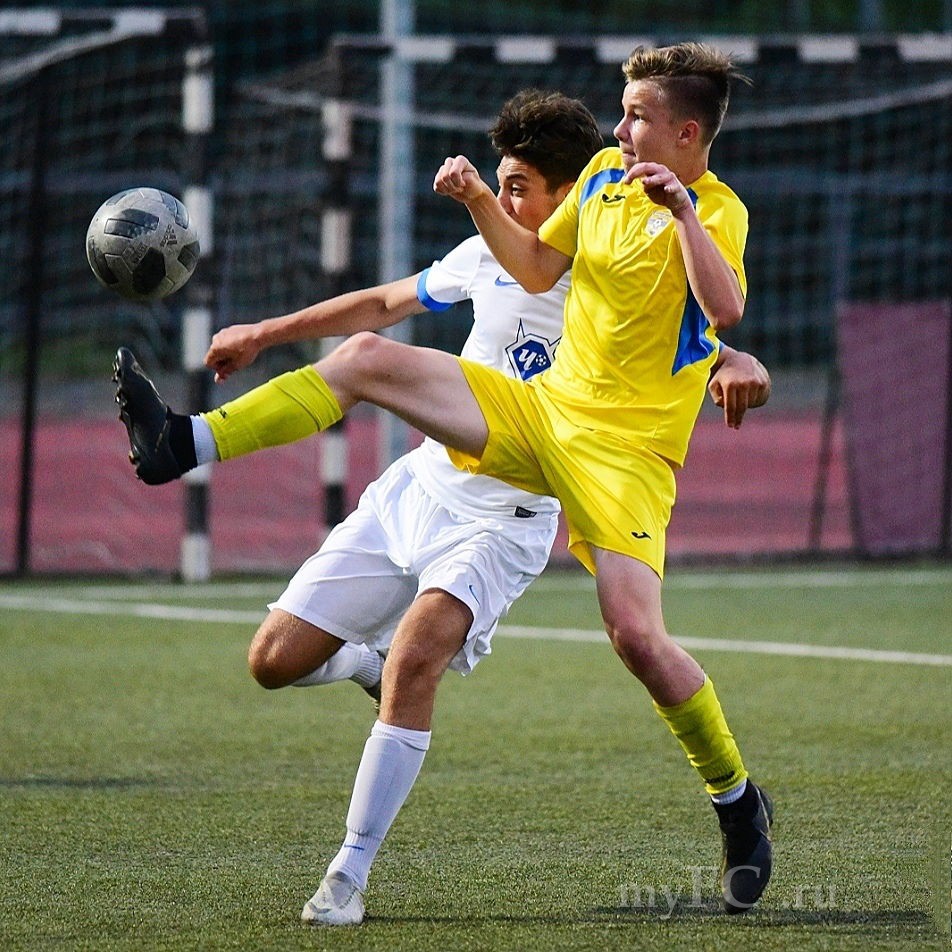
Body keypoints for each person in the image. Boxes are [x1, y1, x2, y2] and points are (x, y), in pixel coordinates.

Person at [115, 56, 772, 922]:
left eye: (638, 118)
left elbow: (721, 312)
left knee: (637, 639)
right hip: (539, 416)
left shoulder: (718, 210)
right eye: (620, 114)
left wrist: (691, 234)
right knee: (366, 359)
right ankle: (183, 442)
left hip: (624, 458)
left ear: (686, 134)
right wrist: (476, 200)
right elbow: (534, 269)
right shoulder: (602, 181)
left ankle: (737, 800)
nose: (621, 132)